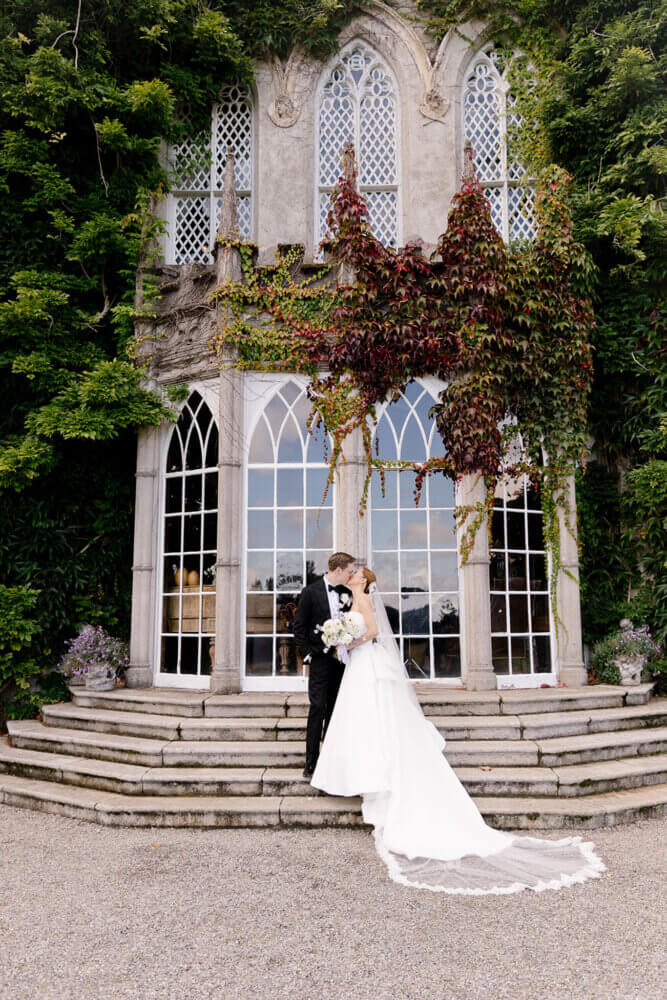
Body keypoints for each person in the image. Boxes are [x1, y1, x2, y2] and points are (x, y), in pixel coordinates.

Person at [310, 567, 608, 895]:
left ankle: (377, 778)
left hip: (368, 660)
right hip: (360, 663)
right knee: (361, 716)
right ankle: (362, 774)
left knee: (375, 714)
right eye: (351, 571)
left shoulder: (364, 599)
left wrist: (350, 640)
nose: (352, 573)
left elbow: (374, 630)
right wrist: (344, 639)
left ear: (363, 581)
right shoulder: (352, 599)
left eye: (356, 572)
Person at [293, 551, 355, 779]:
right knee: (317, 707)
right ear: (338, 570)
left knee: (334, 711)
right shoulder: (310, 592)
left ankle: (329, 764)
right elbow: (299, 627)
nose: (351, 576)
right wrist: (307, 654)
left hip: (340, 661)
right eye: (349, 572)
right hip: (319, 660)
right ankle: (311, 763)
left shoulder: (347, 594)